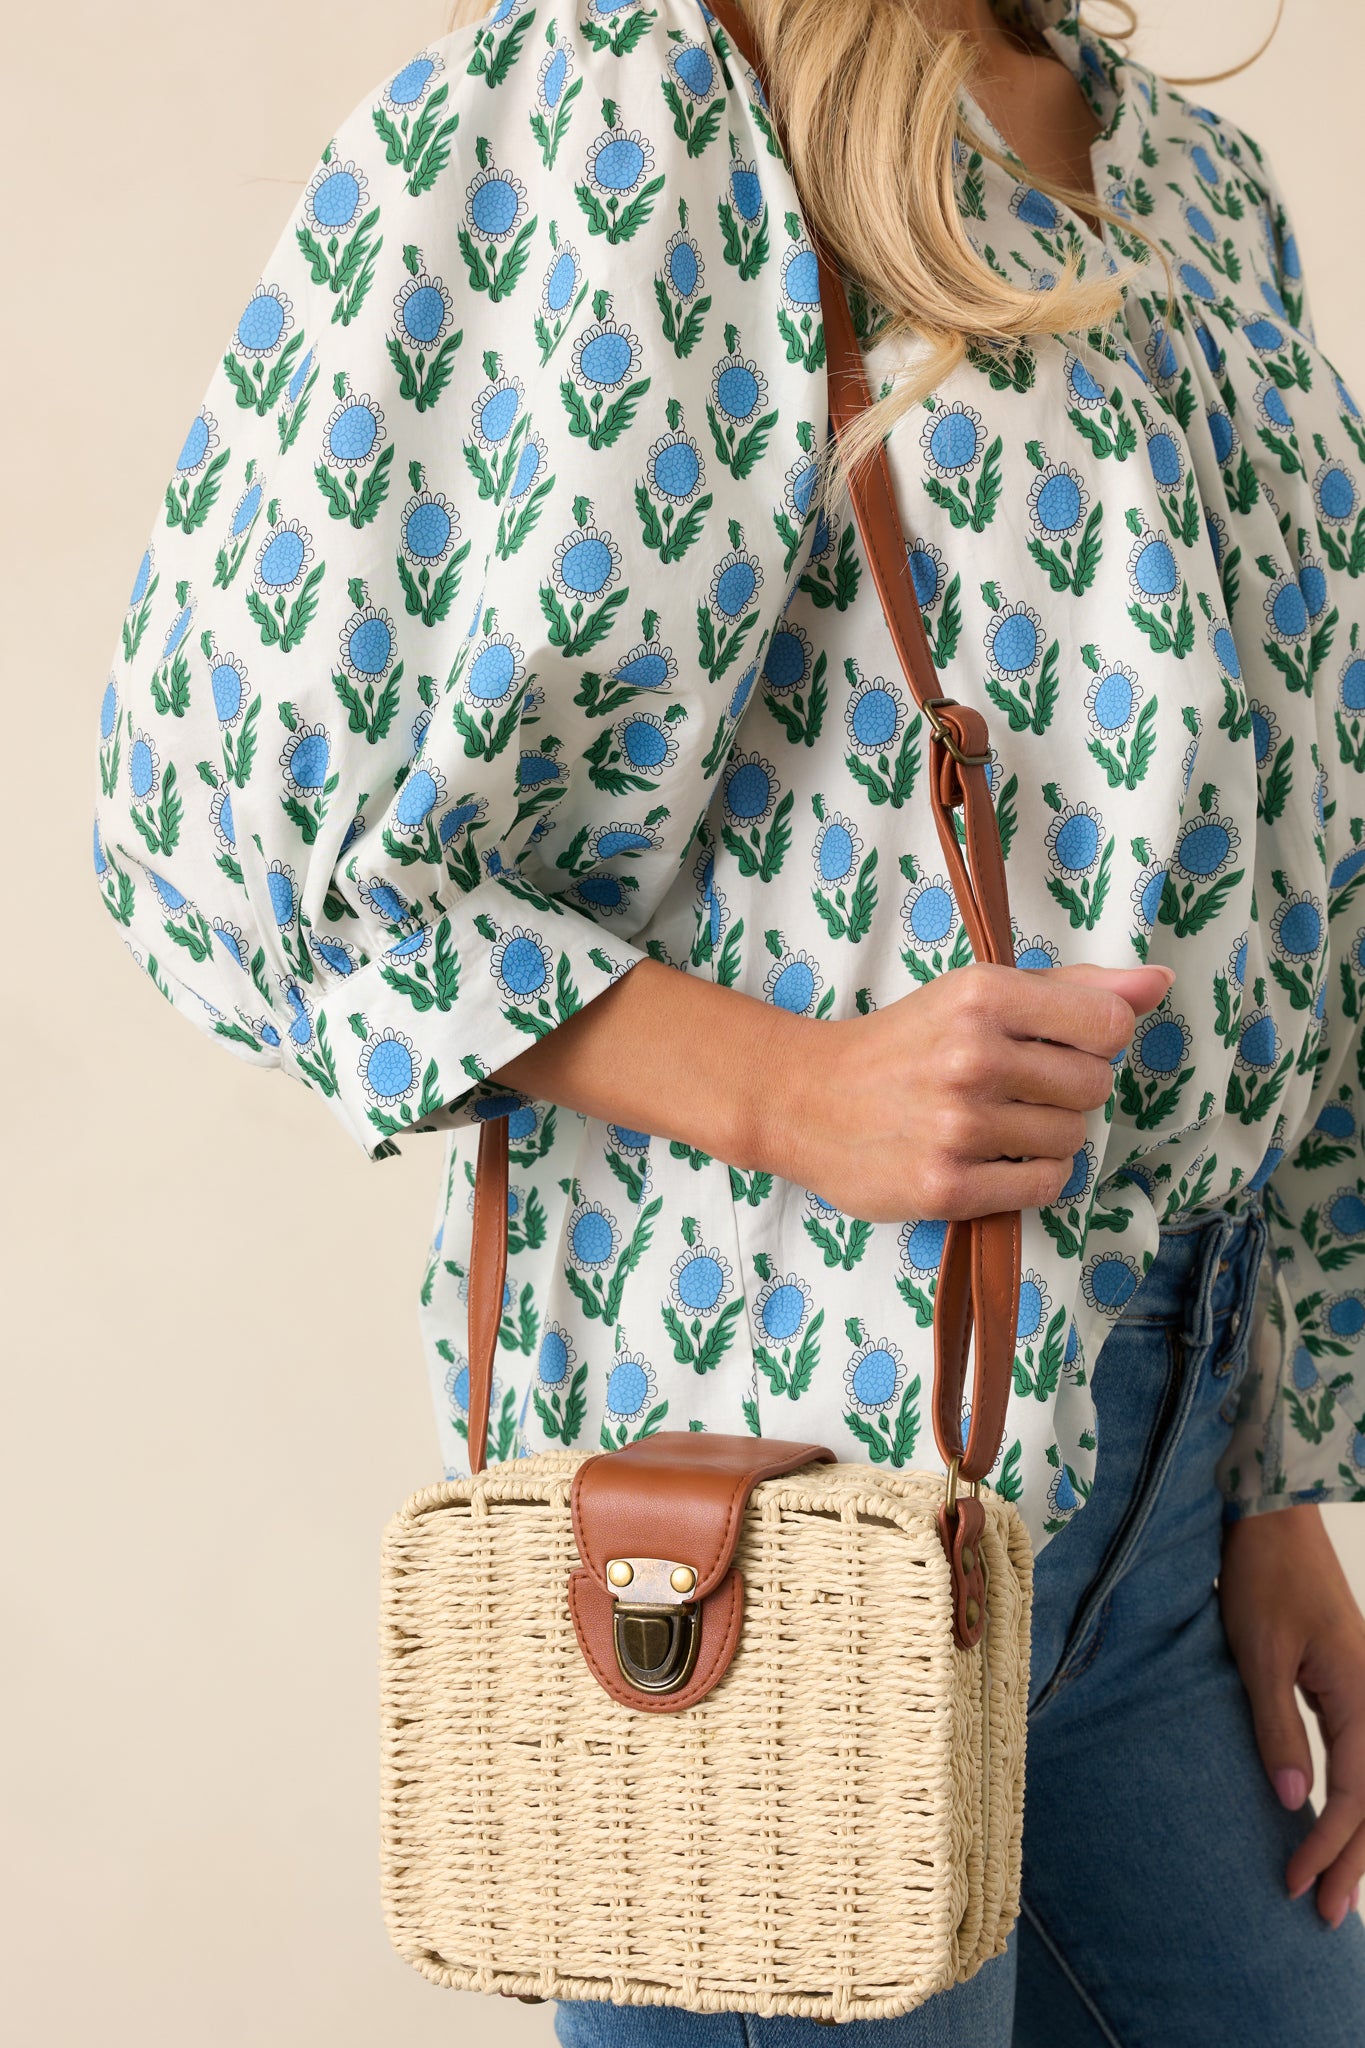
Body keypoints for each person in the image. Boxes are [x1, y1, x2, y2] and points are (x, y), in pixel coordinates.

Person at [90, 0, 1365, 2037]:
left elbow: (1289, 836)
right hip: (770, 1475)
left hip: (1160, 1467)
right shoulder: (612, 111)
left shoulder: (1186, 179)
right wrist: (790, 1085)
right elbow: (242, 822)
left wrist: (1265, 1475)